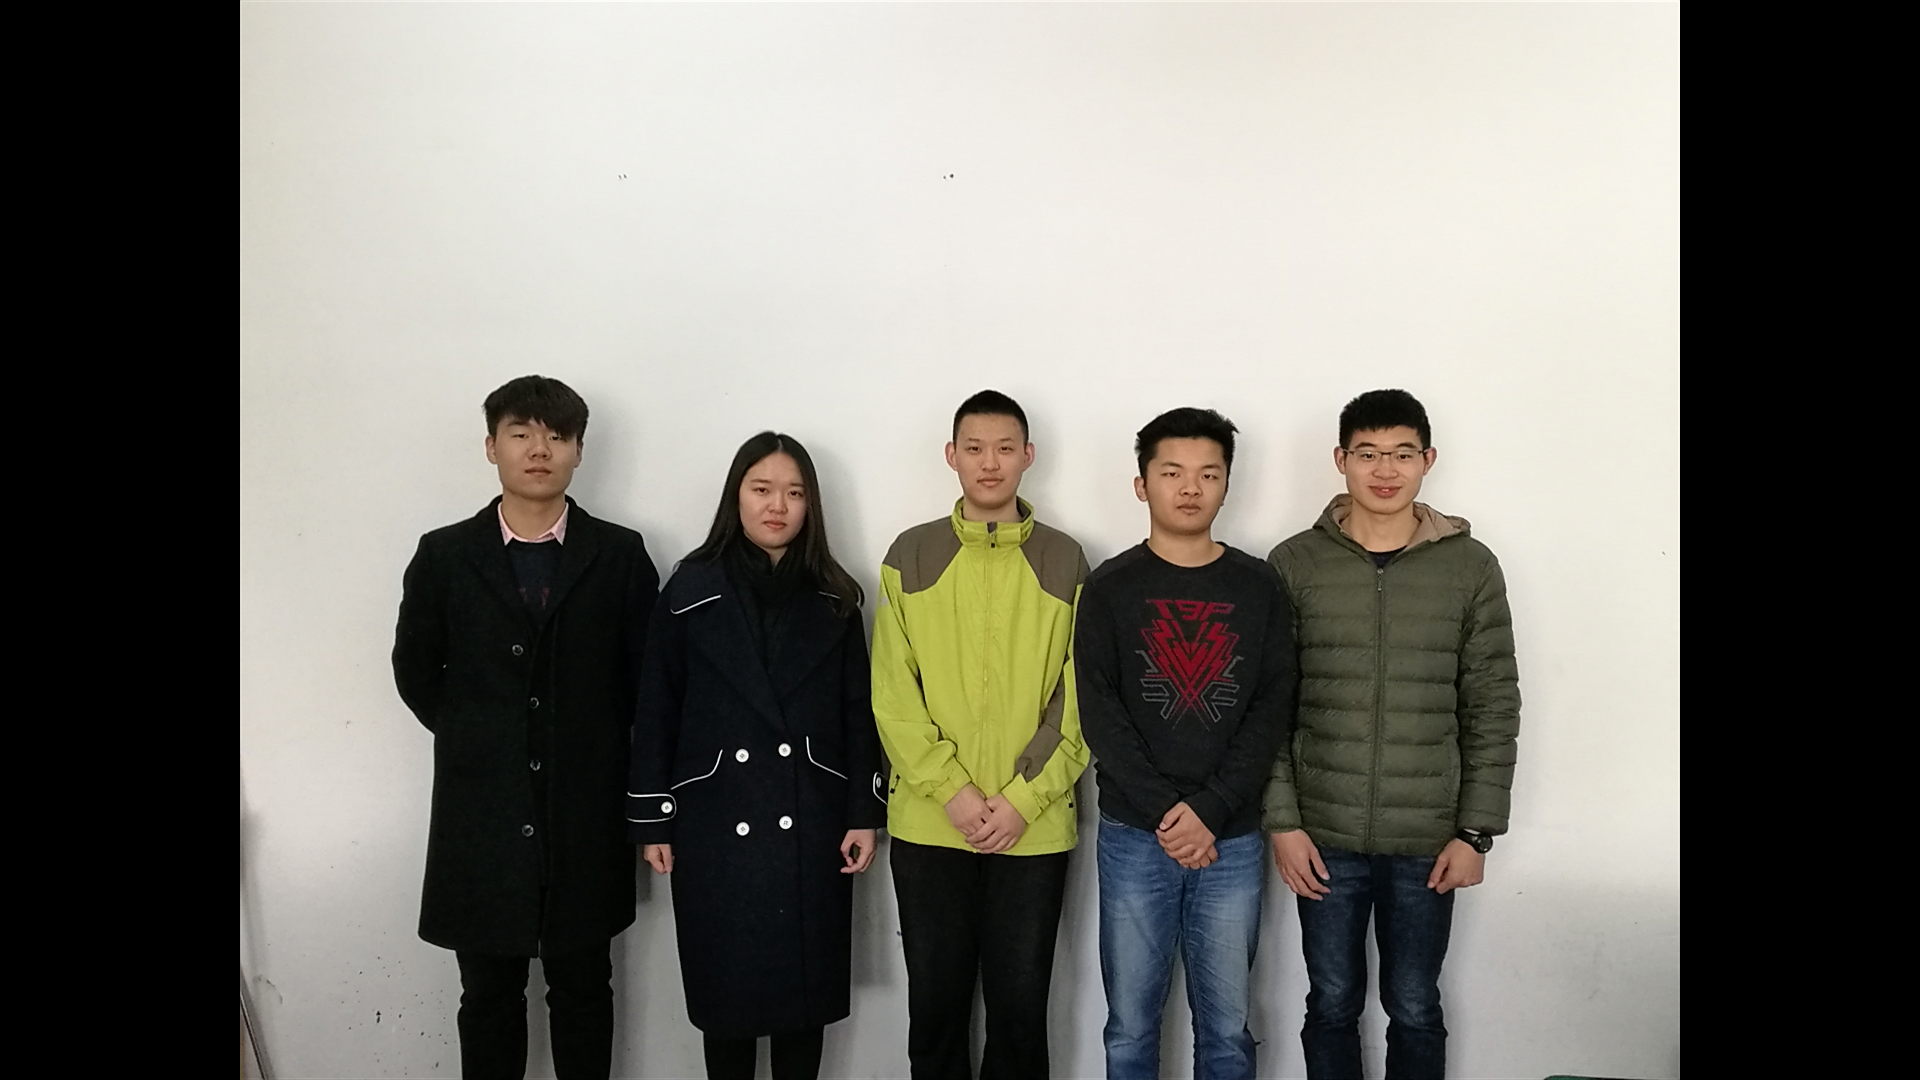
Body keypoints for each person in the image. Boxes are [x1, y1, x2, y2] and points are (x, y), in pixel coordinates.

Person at [392, 375, 659, 1080]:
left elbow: (646, 677)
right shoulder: (445, 555)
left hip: (584, 810)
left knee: (584, 986)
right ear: (492, 447)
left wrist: (590, 746)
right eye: (521, 433)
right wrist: (485, 738)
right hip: (482, 813)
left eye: (557, 436)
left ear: (578, 451)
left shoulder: (619, 554)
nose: (539, 450)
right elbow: (416, 671)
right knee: (487, 993)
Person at [1263, 389, 1521, 1080]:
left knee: (1414, 1006)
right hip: (1322, 837)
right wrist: (1283, 822)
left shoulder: (1470, 566)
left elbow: (1493, 704)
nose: (1386, 470)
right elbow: (1268, 704)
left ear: (1427, 460)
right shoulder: (1294, 563)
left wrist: (1475, 833)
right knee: (1331, 1004)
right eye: (1369, 454)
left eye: (1402, 454)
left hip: (1428, 841)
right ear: (1341, 459)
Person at [628, 431, 885, 1080]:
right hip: (714, 821)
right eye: (762, 489)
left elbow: (858, 712)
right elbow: (656, 706)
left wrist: (863, 814)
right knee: (728, 1006)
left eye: (794, 493)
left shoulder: (835, 597)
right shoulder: (689, 589)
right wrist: (654, 817)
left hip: (813, 819)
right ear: (735, 495)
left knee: (803, 1007)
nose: (778, 505)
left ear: (811, 505)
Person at [872, 390, 1090, 1080]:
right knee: (935, 1012)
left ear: (1028, 456)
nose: (989, 462)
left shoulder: (1066, 559)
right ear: (951, 456)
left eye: (1004, 448)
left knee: (1020, 1017)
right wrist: (953, 791)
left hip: (1034, 828)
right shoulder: (910, 554)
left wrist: (1023, 799)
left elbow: (1081, 698)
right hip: (930, 825)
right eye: (974, 448)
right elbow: (893, 694)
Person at [1076, 407, 1297, 1080]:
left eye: (1209, 473)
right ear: (1142, 484)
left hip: (1231, 837)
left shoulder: (1259, 585)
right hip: (1133, 835)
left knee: (1227, 1031)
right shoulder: (1109, 586)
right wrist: (1168, 814)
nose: (1191, 487)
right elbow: (1100, 712)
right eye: (1172, 472)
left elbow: (1272, 704)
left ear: (1228, 483)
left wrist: (1212, 807)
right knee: (1129, 1029)